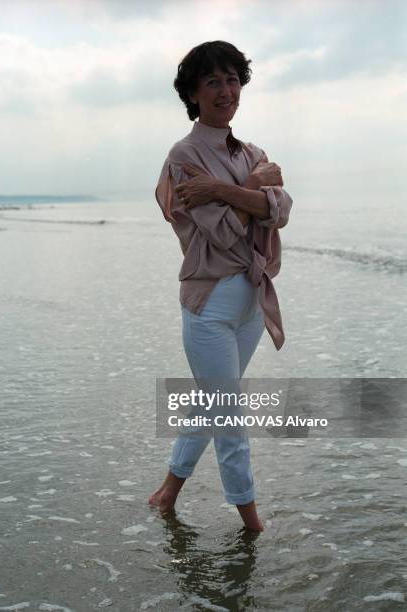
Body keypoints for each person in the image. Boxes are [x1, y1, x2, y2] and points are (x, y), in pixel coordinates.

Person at [149, 41, 293, 532]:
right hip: (209, 303)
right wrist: (253, 191)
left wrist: (229, 189)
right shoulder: (184, 156)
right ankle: (252, 524)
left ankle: (167, 493)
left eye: (232, 79)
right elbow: (225, 230)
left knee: (211, 404)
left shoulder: (254, 153)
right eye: (212, 81)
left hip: (251, 300)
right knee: (230, 415)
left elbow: (282, 212)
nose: (225, 90)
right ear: (193, 92)